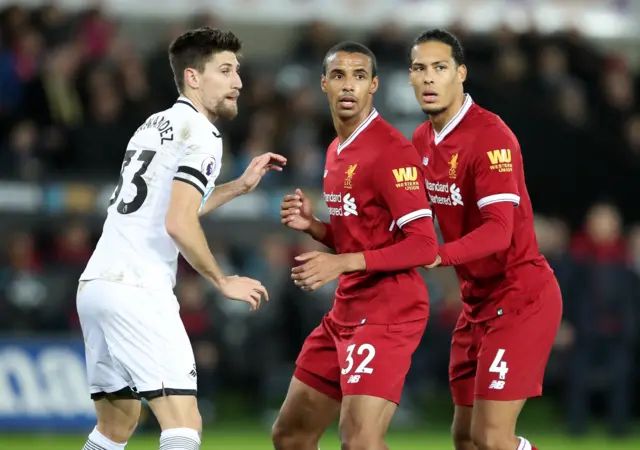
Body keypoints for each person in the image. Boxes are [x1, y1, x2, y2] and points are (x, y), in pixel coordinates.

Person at [76, 27, 285, 450]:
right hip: (138, 288)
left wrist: (237, 187)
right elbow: (178, 223)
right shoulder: (204, 134)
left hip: (97, 286)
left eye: (237, 71)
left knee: (116, 424)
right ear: (193, 77)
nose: (237, 82)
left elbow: (167, 208)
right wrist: (222, 279)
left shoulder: (154, 125)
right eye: (225, 71)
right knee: (183, 422)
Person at [272, 41, 439, 450]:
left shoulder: (392, 152)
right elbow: (362, 236)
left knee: (360, 441)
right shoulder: (335, 150)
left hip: (389, 310)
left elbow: (423, 247)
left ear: (374, 86)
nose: (349, 86)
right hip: (347, 309)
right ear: (324, 84)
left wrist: (341, 262)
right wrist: (314, 227)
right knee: (291, 435)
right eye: (340, 76)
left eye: (360, 76)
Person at [409, 29, 563, 450]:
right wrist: (322, 229)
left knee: (492, 438)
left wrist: (438, 256)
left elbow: (499, 231)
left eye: (439, 68)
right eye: (420, 68)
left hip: (520, 298)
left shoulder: (490, 136)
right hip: (476, 303)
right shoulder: (421, 140)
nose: (428, 78)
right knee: (465, 437)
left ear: (461, 73)